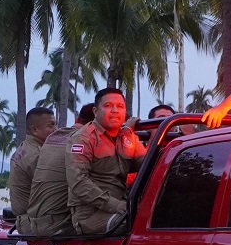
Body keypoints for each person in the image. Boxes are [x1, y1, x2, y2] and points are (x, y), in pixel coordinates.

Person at [67, 88, 147, 237]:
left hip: (123, 206)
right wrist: (117, 206)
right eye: (108, 106)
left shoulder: (128, 137)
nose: (115, 110)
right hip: (91, 215)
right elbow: (78, 182)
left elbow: (148, 166)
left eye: (120, 107)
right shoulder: (83, 138)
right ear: (96, 111)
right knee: (138, 226)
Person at [8, 106, 58, 221]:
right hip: (37, 222)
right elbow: (54, 190)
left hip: (28, 219)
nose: (56, 129)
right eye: (51, 126)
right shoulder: (38, 155)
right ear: (35, 129)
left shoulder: (24, 148)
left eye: (56, 124)